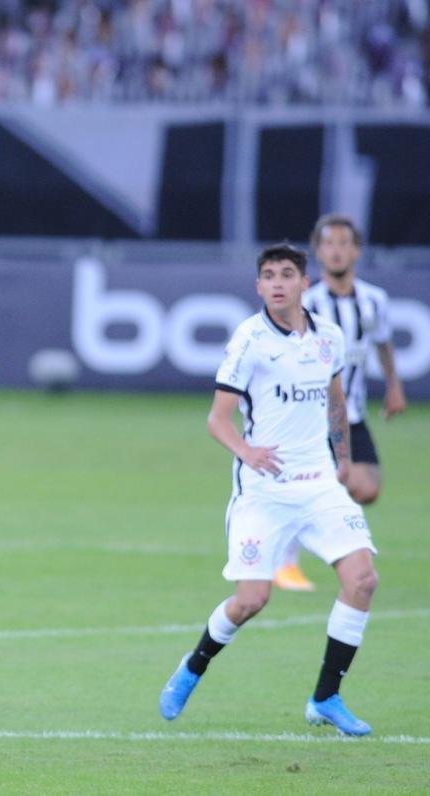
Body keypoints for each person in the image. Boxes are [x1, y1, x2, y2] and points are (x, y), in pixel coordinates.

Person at [158, 244, 379, 736]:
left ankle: (326, 697)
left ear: (305, 283)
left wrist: (343, 459)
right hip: (264, 491)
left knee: (362, 580)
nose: (277, 282)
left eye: (286, 274)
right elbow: (217, 419)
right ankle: (193, 666)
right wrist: (248, 452)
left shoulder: (329, 337)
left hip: (320, 483)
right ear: (258, 287)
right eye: (267, 276)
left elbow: (336, 401)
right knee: (251, 600)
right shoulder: (249, 340)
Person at [272, 214, 407, 592]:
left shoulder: (373, 300)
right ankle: (286, 562)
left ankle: (308, 523)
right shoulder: (308, 303)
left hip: (355, 413)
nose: (336, 250)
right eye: (328, 243)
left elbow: (382, 342)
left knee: (367, 487)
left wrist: (393, 385)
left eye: (343, 243)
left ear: (357, 250)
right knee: (325, 482)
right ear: (317, 251)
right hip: (313, 417)